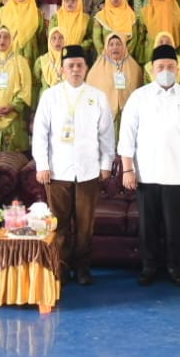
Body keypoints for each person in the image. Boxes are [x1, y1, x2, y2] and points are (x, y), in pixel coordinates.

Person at [119, 43, 180, 286]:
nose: (165, 70)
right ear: (152, 69)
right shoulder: (139, 97)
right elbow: (126, 135)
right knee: (147, 226)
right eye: (160, 67)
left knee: (175, 226)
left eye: (170, 66)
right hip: (145, 173)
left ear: (177, 69)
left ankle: (175, 268)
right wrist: (128, 169)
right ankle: (149, 266)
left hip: (178, 175)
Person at [30, 43, 115, 285]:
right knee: (59, 224)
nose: (75, 69)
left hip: (89, 170)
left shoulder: (97, 97)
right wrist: (42, 165)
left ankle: (83, 269)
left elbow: (107, 133)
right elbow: (40, 134)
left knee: (86, 225)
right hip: (57, 170)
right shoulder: (51, 96)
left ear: (86, 68)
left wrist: (106, 163)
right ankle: (61, 266)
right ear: (62, 69)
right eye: (70, 66)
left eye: (79, 65)